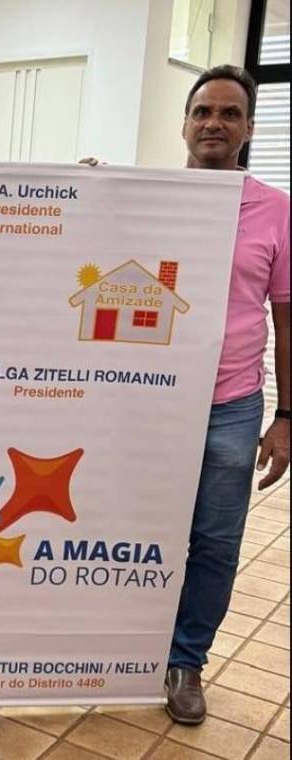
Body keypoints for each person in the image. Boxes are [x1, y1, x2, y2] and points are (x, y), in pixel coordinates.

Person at [163, 65, 289, 724]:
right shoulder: (146, 199)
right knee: (127, 526)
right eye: (203, 111)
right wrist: (84, 194)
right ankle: (119, 649)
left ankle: (186, 660)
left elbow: (287, 319)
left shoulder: (277, 211)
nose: (214, 123)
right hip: (148, 402)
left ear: (248, 129)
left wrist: (287, 414)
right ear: (184, 123)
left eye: (229, 113)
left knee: (214, 541)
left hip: (231, 406)